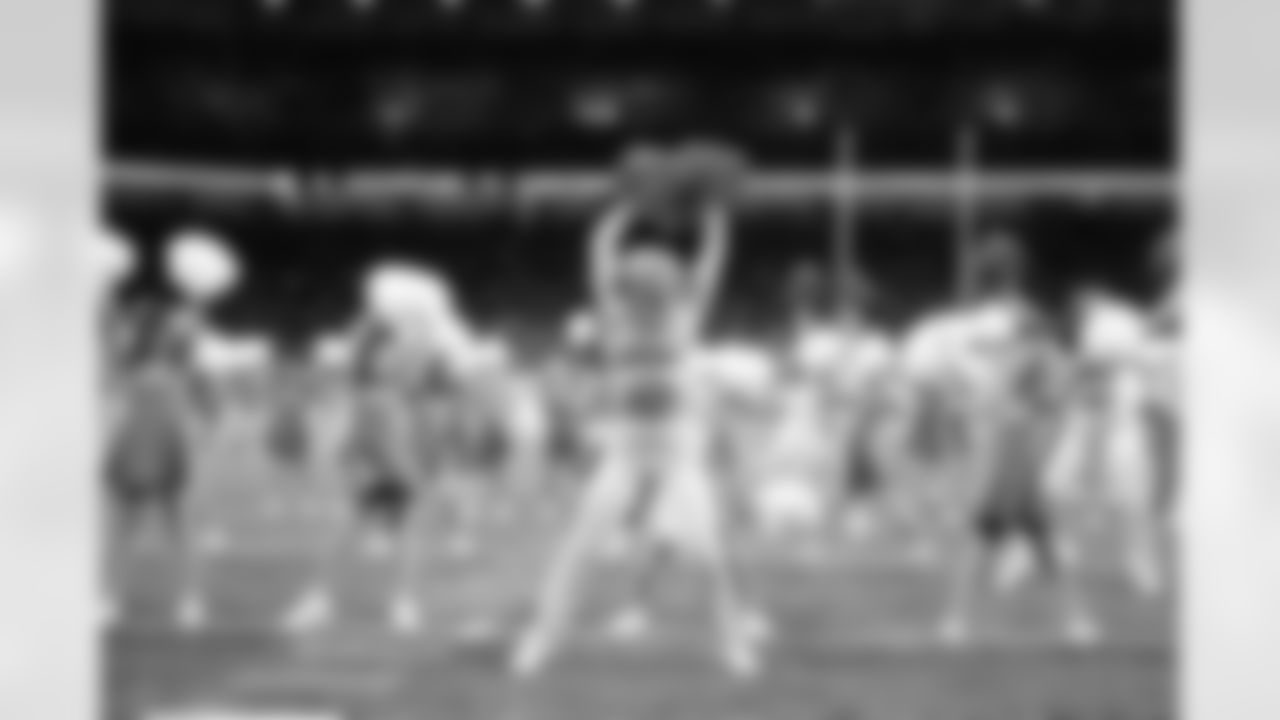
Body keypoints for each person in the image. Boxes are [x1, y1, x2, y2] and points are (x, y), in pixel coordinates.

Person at [511, 146, 766, 678]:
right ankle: (541, 639)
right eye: (641, 283)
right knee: (580, 547)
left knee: (707, 554)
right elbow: (600, 247)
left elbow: (711, 254)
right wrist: (635, 203)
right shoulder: (617, 319)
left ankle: (733, 643)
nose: (648, 290)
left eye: (655, 282)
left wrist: (708, 211)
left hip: (679, 452)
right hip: (625, 452)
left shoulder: (683, 317)